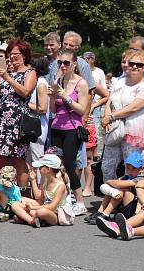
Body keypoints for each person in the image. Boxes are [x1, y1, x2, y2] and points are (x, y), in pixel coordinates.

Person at [0, 39, 36, 187]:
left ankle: (21, 193)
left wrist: (7, 77)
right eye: (10, 54)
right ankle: (2, 194)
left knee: (18, 159)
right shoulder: (5, 73)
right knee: (0, 157)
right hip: (1, 122)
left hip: (18, 122)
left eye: (16, 54)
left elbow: (25, 92)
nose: (13, 57)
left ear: (24, 55)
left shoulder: (29, 72)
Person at [101, 49, 144, 181]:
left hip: (133, 132)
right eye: (131, 63)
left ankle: (133, 198)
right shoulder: (119, 81)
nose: (135, 66)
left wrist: (112, 117)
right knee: (107, 167)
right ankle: (114, 195)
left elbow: (134, 107)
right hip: (115, 130)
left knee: (132, 169)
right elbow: (110, 101)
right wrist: (107, 118)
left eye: (139, 64)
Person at [49, 49, 91, 215]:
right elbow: (53, 108)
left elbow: (81, 109)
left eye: (66, 63)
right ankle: (63, 198)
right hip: (57, 127)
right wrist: (53, 95)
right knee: (56, 165)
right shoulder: (58, 80)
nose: (63, 66)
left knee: (69, 164)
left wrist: (65, 96)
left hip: (72, 129)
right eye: (60, 63)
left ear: (74, 64)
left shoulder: (81, 83)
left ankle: (80, 201)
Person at [12, 153, 70, 227]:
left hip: (54, 214)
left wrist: (33, 207)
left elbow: (52, 207)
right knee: (15, 204)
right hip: (43, 206)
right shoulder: (46, 180)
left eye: (41, 167)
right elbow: (39, 197)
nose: (39, 169)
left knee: (41, 212)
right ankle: (32, 221)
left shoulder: (60, 185)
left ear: (48, 169)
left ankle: (26, 217)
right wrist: (33, 179)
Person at [92, 152, 144, 223]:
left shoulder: (141, 178)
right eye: (128, 168)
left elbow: (120, 184)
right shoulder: (126, 177)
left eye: (133, 169)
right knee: (113, 189)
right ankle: (100, 211)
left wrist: (109, 181)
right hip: (124, 205)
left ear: (142, 169)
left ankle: (106, 214)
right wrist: (112, 184)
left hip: (134, 207)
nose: (130, 171)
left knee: (122, 188)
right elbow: (116, 183)